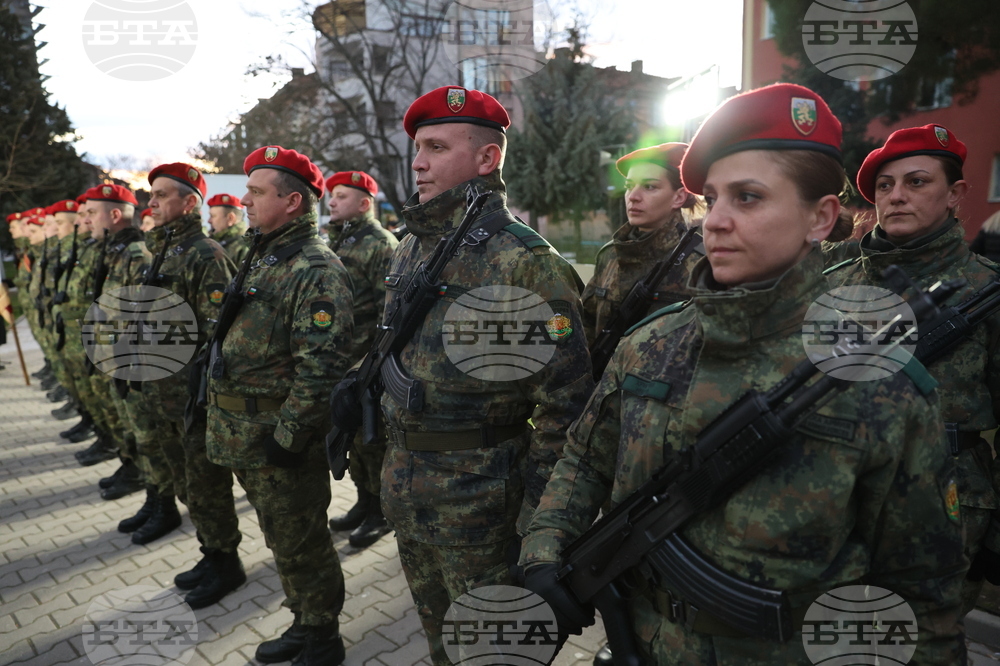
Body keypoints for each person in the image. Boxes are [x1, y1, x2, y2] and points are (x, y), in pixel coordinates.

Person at [522, 83, 967, 664]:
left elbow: (923, 598)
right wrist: (543, 554)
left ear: (820, 216)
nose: (717, 222)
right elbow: (582, 462)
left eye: (749, 197)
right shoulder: (649, 344)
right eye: (711, 199)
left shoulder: (881, 384)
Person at [329, 85, 594, 665]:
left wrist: (539, 527)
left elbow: (567, 411)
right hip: (410, 492)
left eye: (436, 146)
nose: (418, 162)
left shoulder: (523, 262)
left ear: (486, 158)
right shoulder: (412, 250)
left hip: (484, 510)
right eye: (417, 148)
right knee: (442, 645)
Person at [826, 124, 1000, 619]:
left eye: (917, 182)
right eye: (885, 185)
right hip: (831, 498)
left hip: (941, 508)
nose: (897, 196)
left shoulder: (985, 290)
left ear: (955, 194)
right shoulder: (832, 282)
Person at [205, 146, 354, 666]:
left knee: (302, 543)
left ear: (293, 201)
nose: (244, 201)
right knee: (280, 539)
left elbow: (322, 367)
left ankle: (323, 638)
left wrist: (288, 438)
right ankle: (303, 619)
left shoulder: (315, 268)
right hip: (246, 433)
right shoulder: (262, 254)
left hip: (278, 439)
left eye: (256, 192)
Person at [137, 162, 246, 611]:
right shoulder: (162, 252)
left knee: (206, 486)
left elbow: (219, 335)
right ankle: (210, 552)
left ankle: (227, 562)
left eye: (161, 195)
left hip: (192, 397)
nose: (151, 203)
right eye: (151, 196)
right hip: (161, 393)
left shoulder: (206, 255)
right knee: (185, 483)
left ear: (189, 203)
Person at [324, 170, 398, 548]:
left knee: (373, 445)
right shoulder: (336, 242)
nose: (331, 201)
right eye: (330, 195)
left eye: (340, 195)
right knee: (351, 440)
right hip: (342, 365)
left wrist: (374, 366)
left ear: (364, 204)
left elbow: (391, 313)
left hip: (367, 366)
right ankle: (363, 502)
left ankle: (380, 513)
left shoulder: (380, 244)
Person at [207, 193, 251, 263]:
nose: (209, 221)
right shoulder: (213, 241)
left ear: (230, 218)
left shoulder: (244, 247)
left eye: (213, 216)